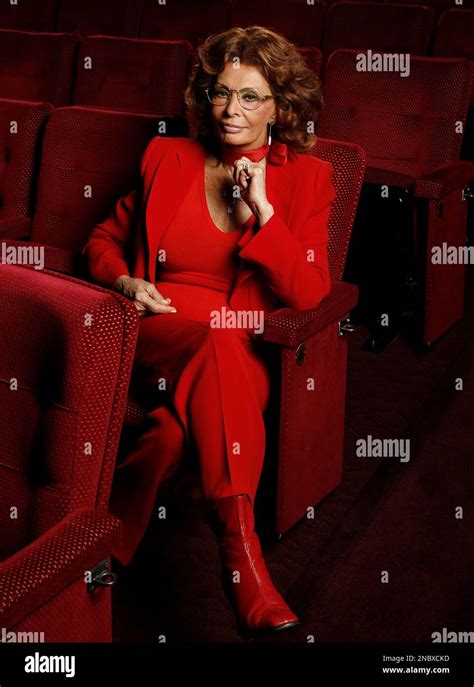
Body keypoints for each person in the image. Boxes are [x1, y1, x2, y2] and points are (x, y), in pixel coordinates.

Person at [81, 25, 337, 635]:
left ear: (281, 106)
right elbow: (101, 241)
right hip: (159, 330)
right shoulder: (165, 157)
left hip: (241, 348)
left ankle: (105, 549)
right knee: (211, 342)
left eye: (251, 96)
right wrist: (124, 282)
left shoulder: (308, 179)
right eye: (221, 93)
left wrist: (266, 218)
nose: (230, 110)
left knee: (170, 433)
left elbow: (309, 293)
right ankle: (241, 557)